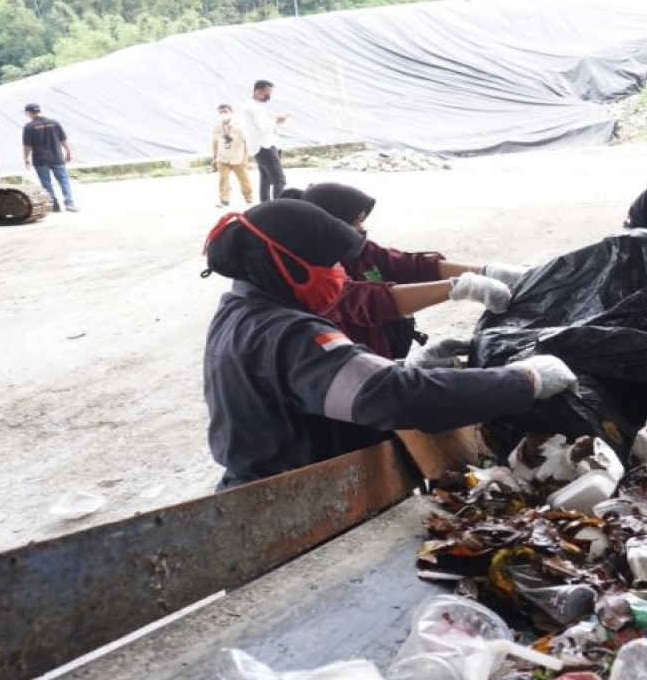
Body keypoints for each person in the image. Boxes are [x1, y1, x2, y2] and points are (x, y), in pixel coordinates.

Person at [201, 199, 577, 488]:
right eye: (330, 265)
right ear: (286, 265)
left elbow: (345, 386)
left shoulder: (242, 311)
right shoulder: (288, 333)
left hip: (286, 483)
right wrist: (524, 381)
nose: (339, 275)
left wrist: (406, 369)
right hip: (291, 507)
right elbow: (396, 398)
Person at [287, 181, 528, 358]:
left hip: (382, 350)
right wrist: (459, 288)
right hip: (346, 363)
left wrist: (488, 272)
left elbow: (408, 265)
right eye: (355, 222)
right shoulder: (310, 272)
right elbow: (366, 301)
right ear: (331, 222)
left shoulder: (359, 250)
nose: (361, 229)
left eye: (362, 220)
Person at [22, 103, 78, 213]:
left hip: (40, 159)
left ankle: (54, 205)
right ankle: (69, 203)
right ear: (39, 111)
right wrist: (68, 152)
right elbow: (63, 139)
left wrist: (26, 158)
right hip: (57, 157)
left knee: (46, 182)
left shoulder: (29, 127)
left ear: (28, 113)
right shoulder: (54, 123)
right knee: (64, 180)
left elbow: (27, 145)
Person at [239, 80, 288, 202]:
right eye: (267, 93)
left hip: (264, 146)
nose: (269, 96)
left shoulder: (255, 106)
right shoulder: (251, 107)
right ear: (258, 91)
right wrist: (276, 121)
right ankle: (279, 208)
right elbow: (261, 129)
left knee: (265, 180)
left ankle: (265, 206)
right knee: (279, 180)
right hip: (264, 147)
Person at [211, 104, 253, 207]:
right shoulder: (217, 126)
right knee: (223, 179)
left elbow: (247, 143)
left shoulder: (239, 125)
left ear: (231, 112)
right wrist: (214, 157)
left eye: (225, 111)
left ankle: (249, 198)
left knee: (244, 179)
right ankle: (224, 200)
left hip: (237, 157)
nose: (223, 114)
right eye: (220, 112)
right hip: (222, 157)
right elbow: (215, 142)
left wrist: (246, 158)